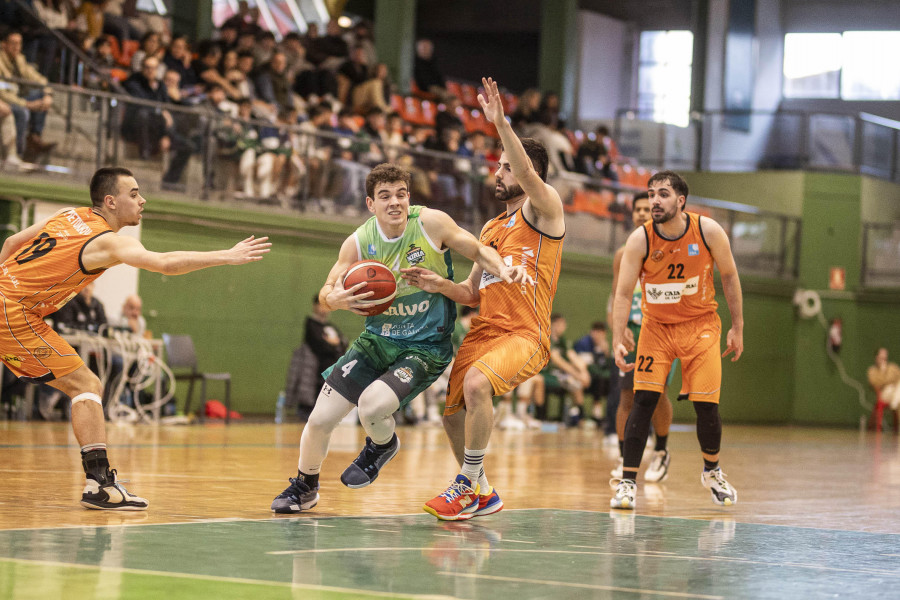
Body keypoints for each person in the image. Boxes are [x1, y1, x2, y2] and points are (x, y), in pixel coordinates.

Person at [0, 167, 270, 510]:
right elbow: (165, 263)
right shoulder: (106, 241)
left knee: (87, 384)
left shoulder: (66, 215)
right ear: (110, 202)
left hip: (13, 308)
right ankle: (99, 484)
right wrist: (225, 256)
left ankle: (99, 483)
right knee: (86, 385)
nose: (142, 200)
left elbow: (11, 244)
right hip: (13, 314)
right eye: (134, 194)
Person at [270, 162, 530, 514]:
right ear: (370, 204)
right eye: (385, 196)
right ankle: (306, 486)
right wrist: (336, 299)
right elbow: (326, 291)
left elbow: (478, 249)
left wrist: (503, 269)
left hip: (424, 346)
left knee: (372, 406)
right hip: (376, 341)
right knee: (319, 419)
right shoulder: (360, 241)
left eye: (401, 195)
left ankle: (381, 444)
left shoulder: (430, 224)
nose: (395, 202)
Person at [404, 77, 566, 521]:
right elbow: (472, 293)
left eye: (505, 166)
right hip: (485, 330)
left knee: (477, 386)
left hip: (524, 332)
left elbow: (529, 175)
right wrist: (437, 285)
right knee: (451, 415)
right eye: (498, 166)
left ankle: (463, 484)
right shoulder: (491, 229)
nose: (498, 172)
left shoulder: (545, 210)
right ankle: (483, 492)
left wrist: (500, 124)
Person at [609, 170, 743, 510]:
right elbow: (623, 294)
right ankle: (627, 483)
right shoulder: (640, 240)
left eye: (663, 193)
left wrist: (737, 327)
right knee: (643, 401)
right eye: (651, 193)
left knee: (706, 407)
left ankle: (712, 472)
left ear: (681, 200)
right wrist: (618, 333)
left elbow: (729, 277)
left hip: (701, 327)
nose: (655, 200)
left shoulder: (708, 231)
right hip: (656, 329)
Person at [608, 192, 674, 482]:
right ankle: (625, 457)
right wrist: (619, 330)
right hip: (632, 329)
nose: (642, 213)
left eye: (648, 209)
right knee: (626, 395)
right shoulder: (623, 254)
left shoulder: (670, 249)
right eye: (638, 209)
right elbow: (616, 295)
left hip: (661, 328)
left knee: (656, 395)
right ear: (633, 214)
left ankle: (661, 451)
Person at [867, 347, 900, 433]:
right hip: (884, 394)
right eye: (881, 357)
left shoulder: (893, 367)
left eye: (885, 357)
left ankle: (894, 404)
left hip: (895, 391)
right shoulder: (872, 371)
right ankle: (894, 404)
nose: (883, 360)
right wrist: (884, 373)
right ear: (876, 358)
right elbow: (875, 383)